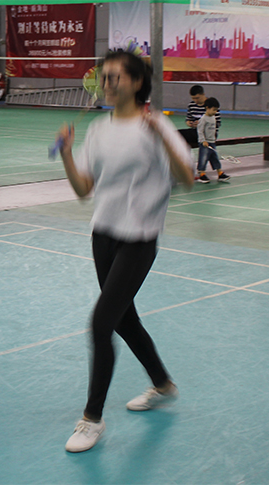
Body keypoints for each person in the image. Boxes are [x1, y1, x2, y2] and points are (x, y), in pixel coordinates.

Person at [56, 50, 194, 453]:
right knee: (124, 320)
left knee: (101, 323)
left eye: (115, 76)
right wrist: (67, 154)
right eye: (104, 77)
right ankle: (162, 384)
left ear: (136, 82)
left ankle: (92, 419)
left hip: (139, 238)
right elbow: (84, 189)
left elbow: (187, 179)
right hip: (103, 235)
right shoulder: (99, 129)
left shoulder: (158, 125)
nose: (107, 83)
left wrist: (160, 138)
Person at [197, 97, 229, 183]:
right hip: (205, 143)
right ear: (207, 108)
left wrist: (214, 139)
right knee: (203, 158)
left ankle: (220, 173)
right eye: (214, 110)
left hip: (212, 142)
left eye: (216, 110)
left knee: (215, 158)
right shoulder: (203, 119)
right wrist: (203, 140)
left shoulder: (213, 117)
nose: (215, 112)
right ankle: (202, 174)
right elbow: (200, 131)